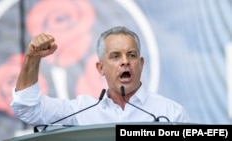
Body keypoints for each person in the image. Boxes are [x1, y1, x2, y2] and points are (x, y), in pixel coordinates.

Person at [11, 26, 191, 129]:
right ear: (100, 67)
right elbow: (27, 109)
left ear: (141, 63)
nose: (125, 62)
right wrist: (32, 58)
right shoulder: (81, 111)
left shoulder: (171, 114)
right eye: (115, 56)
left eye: (132, 55)